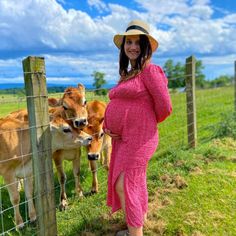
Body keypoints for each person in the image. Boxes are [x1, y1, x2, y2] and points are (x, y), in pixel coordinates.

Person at [103, 19, 172, 236]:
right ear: (123, 47)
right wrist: (111, 126)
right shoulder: (128, 74)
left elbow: (165, 107)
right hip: (122, 139)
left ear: (146, 46)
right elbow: (124, 104)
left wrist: (142, 125)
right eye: (128, 42)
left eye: (137, 42)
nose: (132, 47)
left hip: (140, 139)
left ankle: (135, 234)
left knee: (126, 185)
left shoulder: (150, 71)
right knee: (127, 184)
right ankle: (136, 224)